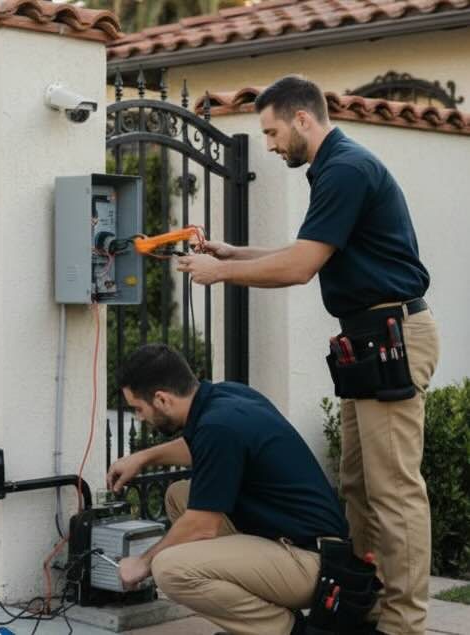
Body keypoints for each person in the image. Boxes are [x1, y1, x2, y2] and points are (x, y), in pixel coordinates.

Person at [177, 75, 440, 635]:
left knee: (394, 492)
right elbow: (309, 251)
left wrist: (221, 272)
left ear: (302, 119)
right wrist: (235, 251)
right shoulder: (335, 168)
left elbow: (299, 269)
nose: (269, 145)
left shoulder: (344, 169)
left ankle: (404, 624)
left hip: (391, 336)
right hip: (366, 341)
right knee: (358, 488)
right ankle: (364, 607)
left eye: (271, 132)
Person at [106, 344, 350, 635]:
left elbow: (202, 527)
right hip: (297, 544)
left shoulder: (217, 427)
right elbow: (199, 445)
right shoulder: (227, 398)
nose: (140, 418)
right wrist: (143, 457)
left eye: (138, 409)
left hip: (312, 565)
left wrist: (142, 564)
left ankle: (288, 630)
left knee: (169, 569)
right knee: (179, 496)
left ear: (161, 399)